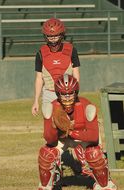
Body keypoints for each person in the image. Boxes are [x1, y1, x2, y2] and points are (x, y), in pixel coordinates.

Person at [35, 74, 117, 190]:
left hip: (83, 137)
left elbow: (94, 136)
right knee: (46, 153)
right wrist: (53, 127)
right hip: (63, 138)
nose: (67, 98)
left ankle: (105, 183)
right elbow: (50, 140)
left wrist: (71, 131)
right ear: (58, 94)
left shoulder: (86, 106)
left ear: (76, 93)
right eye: (63, 94)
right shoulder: (52, 107)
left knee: (93, 154)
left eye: (70, 94)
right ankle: (48, 183)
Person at [31, 18, 90, 176]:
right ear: (45, 37)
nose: (53, 39)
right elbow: (39, 78)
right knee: (51, 131)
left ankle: (81, 160)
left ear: (62, 35)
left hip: (68, 94)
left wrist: (75, 94)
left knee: (73, 126)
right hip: (49, 94)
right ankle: (54, 164)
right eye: (50, 36)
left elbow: (76, 73)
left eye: (56, 36)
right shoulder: (40, 53)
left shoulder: (71, 50)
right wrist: (36, 100)